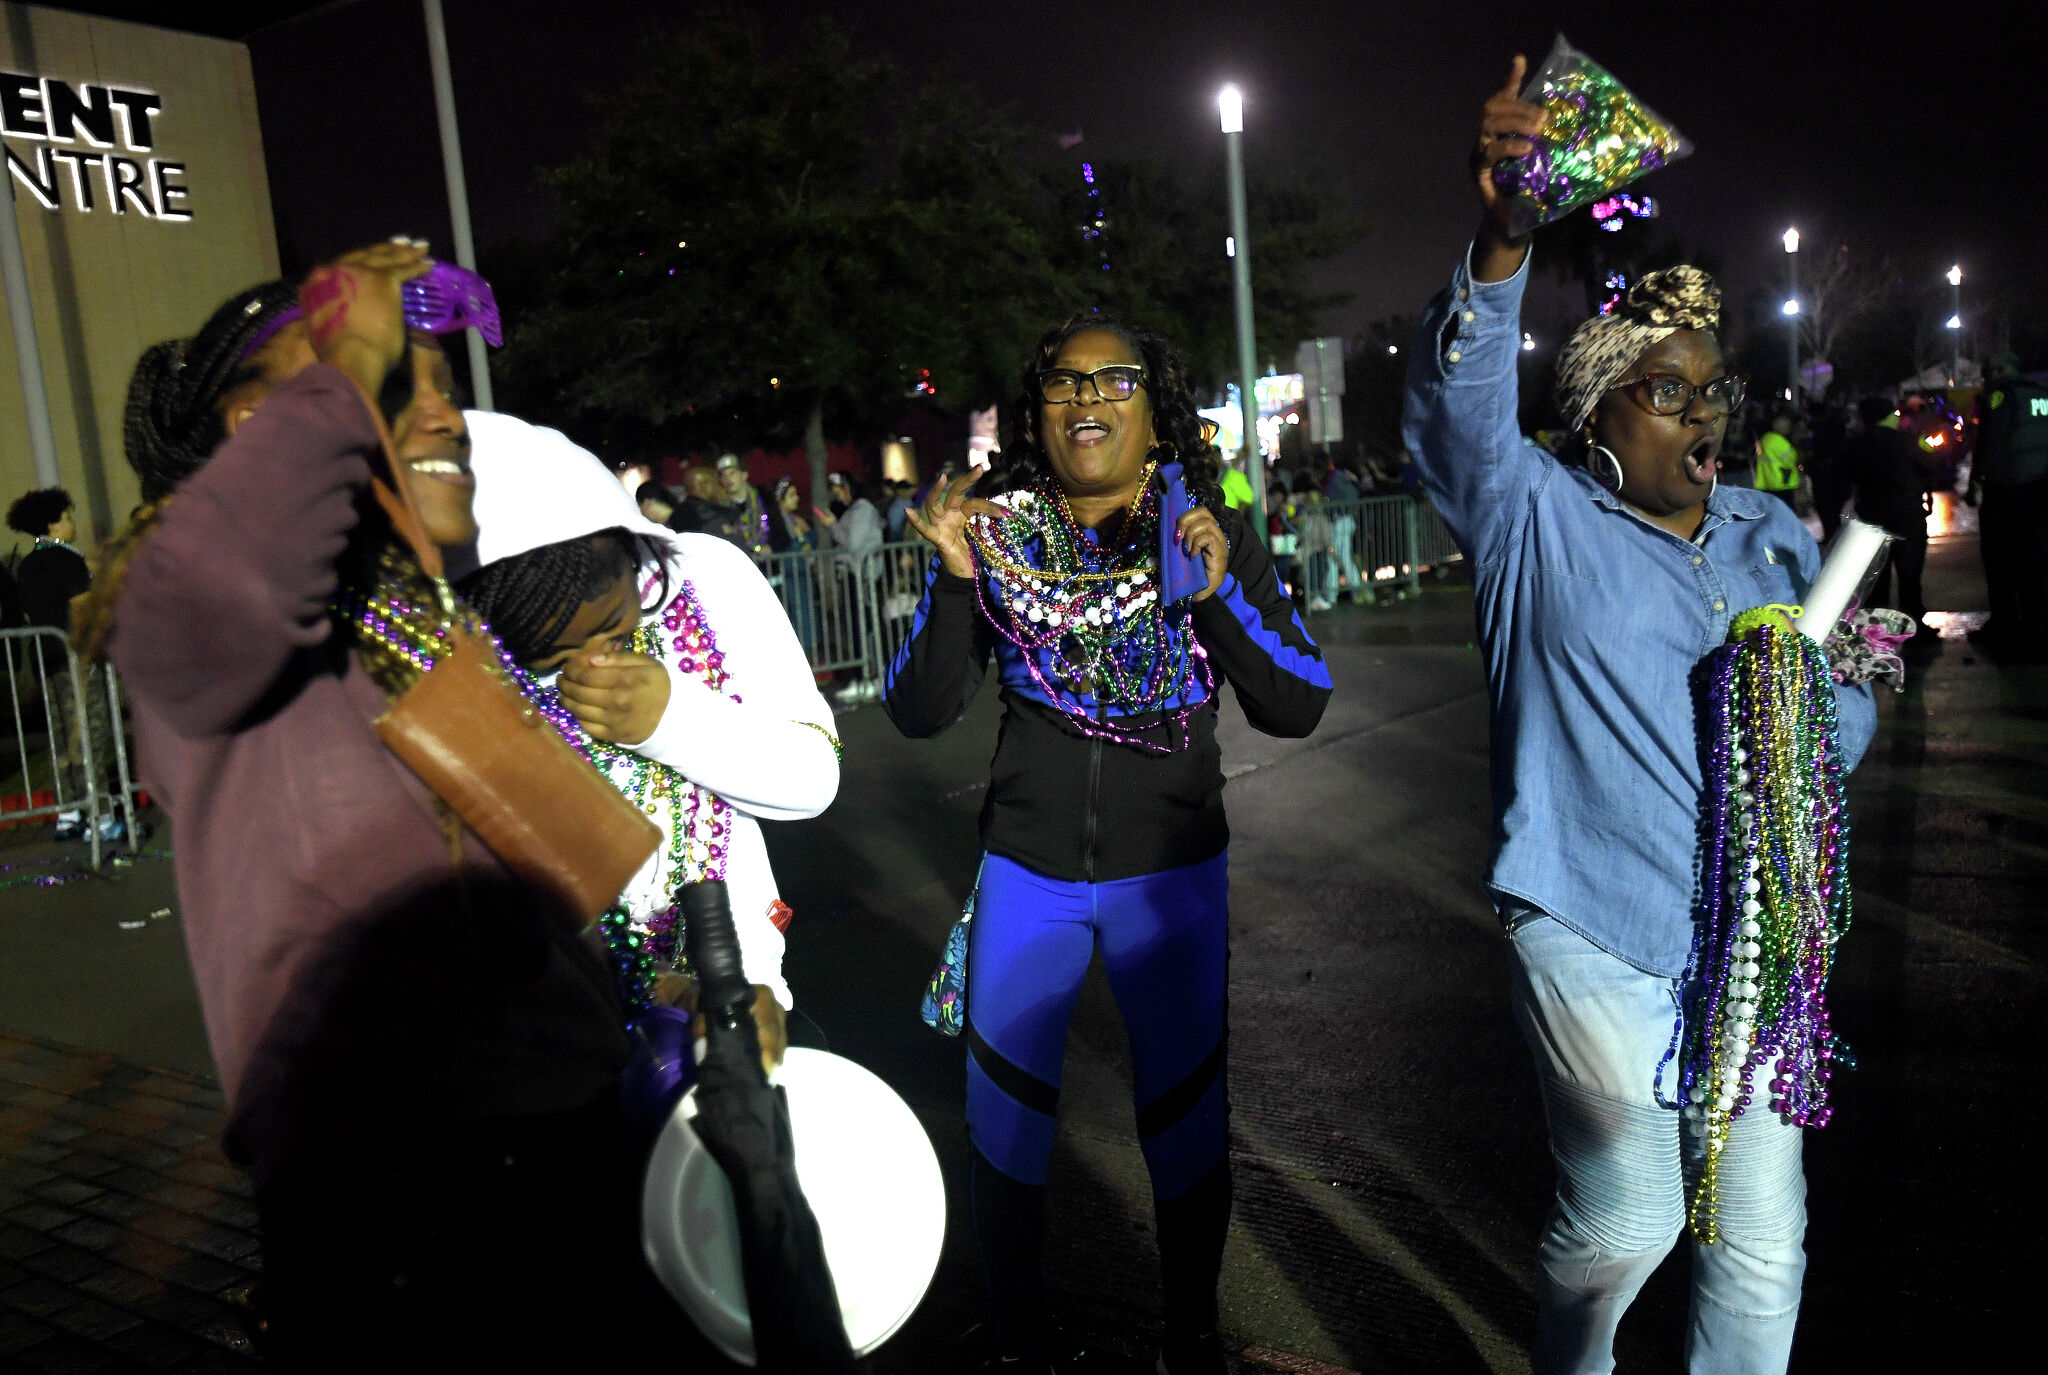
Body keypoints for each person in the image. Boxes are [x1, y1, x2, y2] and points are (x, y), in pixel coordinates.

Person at [81, 245, 668, 1366]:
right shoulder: (194, 605)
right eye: (391, 381)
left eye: (440, 381)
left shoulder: (409, 632)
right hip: (397, 1205)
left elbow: (511, 911)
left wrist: (648, 1010)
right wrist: (351, 357)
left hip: (566, 1158)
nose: (441, 411)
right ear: (263, 427)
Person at [1402, 60, 1879, 1375]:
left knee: (1761, 1237)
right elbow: (1452, 419)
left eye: (1712, 388)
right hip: (1591, 922)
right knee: (1627, 1215)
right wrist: (1505, 234)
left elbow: (1836, 741)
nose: (1703, 411)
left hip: (1753, 937)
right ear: (1598, 408)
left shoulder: (1771, 535)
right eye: (1667, 389)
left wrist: (1824, 697)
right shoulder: (1533, 518)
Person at [885, 313, 1332, 1375]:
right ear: (1034, 412)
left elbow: (1297, 702)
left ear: (1153, 405)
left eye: (1113, 381)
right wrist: (952, 584)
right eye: (1062, 384)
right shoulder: (992, 537)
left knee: (1180, 1126)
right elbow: (916, 709)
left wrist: (1217, 593)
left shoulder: (1204, 529)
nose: (1087, 400)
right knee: (1005, 1121)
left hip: (1170, 878)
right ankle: (1014, 1340)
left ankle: (1191, 1338)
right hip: (1026, 876)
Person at [458, 413, 840, 1046]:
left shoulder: (712, 579)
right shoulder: (463, 675)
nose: (591, 667)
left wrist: (672, 719)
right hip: (570, 1021)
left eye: (611, 625)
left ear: (632, 557)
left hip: (745, 993)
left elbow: (814, 780)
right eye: (552, 660)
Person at [6, 487, 123, 841]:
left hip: (47, 661)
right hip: (78, 660)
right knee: (92, 734)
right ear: (53, 525)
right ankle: (102, 817)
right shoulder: (67, 561)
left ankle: (68, 813)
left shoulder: (27, 565)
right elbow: (83, 606)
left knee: (62, 741)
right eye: (67, 517)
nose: (72, 523)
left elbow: (27, 613)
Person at [1967, 358, 2048, 663]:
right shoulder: (2041, 394)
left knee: (1999, 559)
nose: (1985, 379)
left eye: (1986, 372)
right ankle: (2036, 623)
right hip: (2040, 490)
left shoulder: (2001, 397)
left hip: (2008, 491)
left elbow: (1992, 443)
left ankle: (2005, 626)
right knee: (2034, 561)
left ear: (2000, 372)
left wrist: (1976, 480)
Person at [1841, 396, 1933, 626]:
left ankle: (1877, 628)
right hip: (1907, 514)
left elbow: (1849, 474)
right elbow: (1930, 466)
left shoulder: (1855, 444)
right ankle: (1913, 624)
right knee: (1909, 574)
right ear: (1887, 416)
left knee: (1877, 577)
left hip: (1872, 516)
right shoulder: (1907, 441)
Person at [717, 451, 788, 556]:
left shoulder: (765, 500)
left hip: (766, 567)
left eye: (732, 473)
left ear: (744, 475)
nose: (728, 479)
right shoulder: (719, 507)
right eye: (723, 475)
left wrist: (771, 547)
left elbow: (782, 535)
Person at [1323, 461, 1364, 602]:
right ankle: (1356, 590)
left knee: (1335, 558)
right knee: (1344, 557)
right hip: (1346, 520)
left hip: (1340, 521)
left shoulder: (1335, 479)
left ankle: (1332, 595)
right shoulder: (1343, 477)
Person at [1754, 412, 1801, 509]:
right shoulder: (1779, 441)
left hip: (1767, 482)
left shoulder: (1765, 438)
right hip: (1781, 482)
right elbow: (1792, 458)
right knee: (1787, 510)